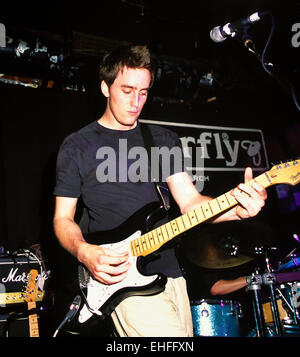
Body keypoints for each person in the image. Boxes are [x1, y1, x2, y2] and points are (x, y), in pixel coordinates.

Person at [53, 44, 267, 337]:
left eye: (143, 92)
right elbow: (62, 218)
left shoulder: (162, 140)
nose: (136, 102)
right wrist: (83, 251)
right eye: (127, 90)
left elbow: (191, 203)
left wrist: (237, 210)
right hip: (120, 276)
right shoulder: (77, 146)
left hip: (171, 273)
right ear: (105, 87)